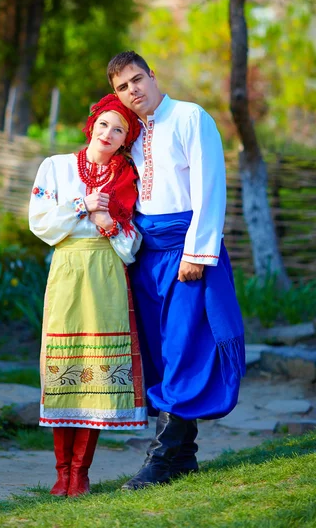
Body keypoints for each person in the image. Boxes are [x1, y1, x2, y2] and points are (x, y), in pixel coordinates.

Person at [106, 51, 246, 490]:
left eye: (136, 80)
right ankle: (184, 457)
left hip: (186, 251)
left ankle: (161, 459)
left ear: (152, 75)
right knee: (163, 354)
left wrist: (196, 253)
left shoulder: (190, 117)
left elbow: (209, 186)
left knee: (186, 347)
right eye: (122, 88)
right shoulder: (133, 133)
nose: (133, 91)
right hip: (149, 257)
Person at [29, 94, 147, 498]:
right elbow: (39, 222)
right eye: (104, 125)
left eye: (119, 130)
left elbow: (133, 246)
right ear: (92, 125)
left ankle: (80, 473)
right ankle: (60, 471)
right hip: (67, 269)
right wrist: (81, 204)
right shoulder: (56, 167)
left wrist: (108, 222)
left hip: (106, 274)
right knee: (65, 366)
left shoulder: (127, 177)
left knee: (97, 374)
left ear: (125, 139)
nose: (109, 134)